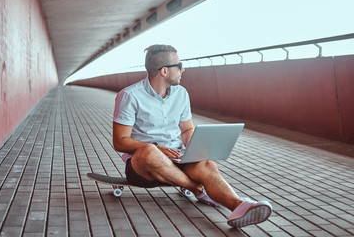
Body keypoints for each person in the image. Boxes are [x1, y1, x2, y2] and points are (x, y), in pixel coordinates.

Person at [112, 44, 272, 228]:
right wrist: (156, 148)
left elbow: (186, 130)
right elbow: (120, 141)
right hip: (142, 168)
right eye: (179, 66)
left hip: (176, 160)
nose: (183, 69)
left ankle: (238, 206)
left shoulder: (181, 94)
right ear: (164, 71)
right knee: (149, 151)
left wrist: (197, 146)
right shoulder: (129, 96)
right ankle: (197, 189)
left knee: (207, 164)